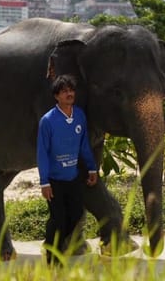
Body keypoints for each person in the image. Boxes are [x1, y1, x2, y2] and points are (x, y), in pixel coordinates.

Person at [37, 74, 99, 265]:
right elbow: (42, 153)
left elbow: (84, 145)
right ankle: (52, 257)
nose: (69, 94)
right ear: (56, 96)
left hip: (73, 177)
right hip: (54, 180)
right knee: (58, 219)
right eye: (64, 91)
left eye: (71, 90)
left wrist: (92, 168)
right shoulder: (47, 121)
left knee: (75, 215)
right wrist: (44, 182)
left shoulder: (79, 115)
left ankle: (52, 245)